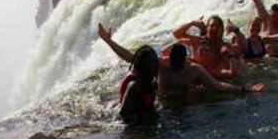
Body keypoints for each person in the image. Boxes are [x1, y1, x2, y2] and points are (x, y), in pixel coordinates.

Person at [97, 23, 265, 101]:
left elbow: (218, 86)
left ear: (186, 60)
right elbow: (131, 57)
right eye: (172, 61)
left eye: (178, 61)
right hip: (162, 104)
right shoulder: (162, 64)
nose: (174, 65)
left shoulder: (195, 70)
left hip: (185, 107)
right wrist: (109, 41)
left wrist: (244, 89)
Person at [118, 45, 159, 125]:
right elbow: (124, 114)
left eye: (154, 62)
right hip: (136, 128)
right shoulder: (134, 85)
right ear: (140, 65)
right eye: (149, 63)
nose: (153, 66)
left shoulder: (150, 82)